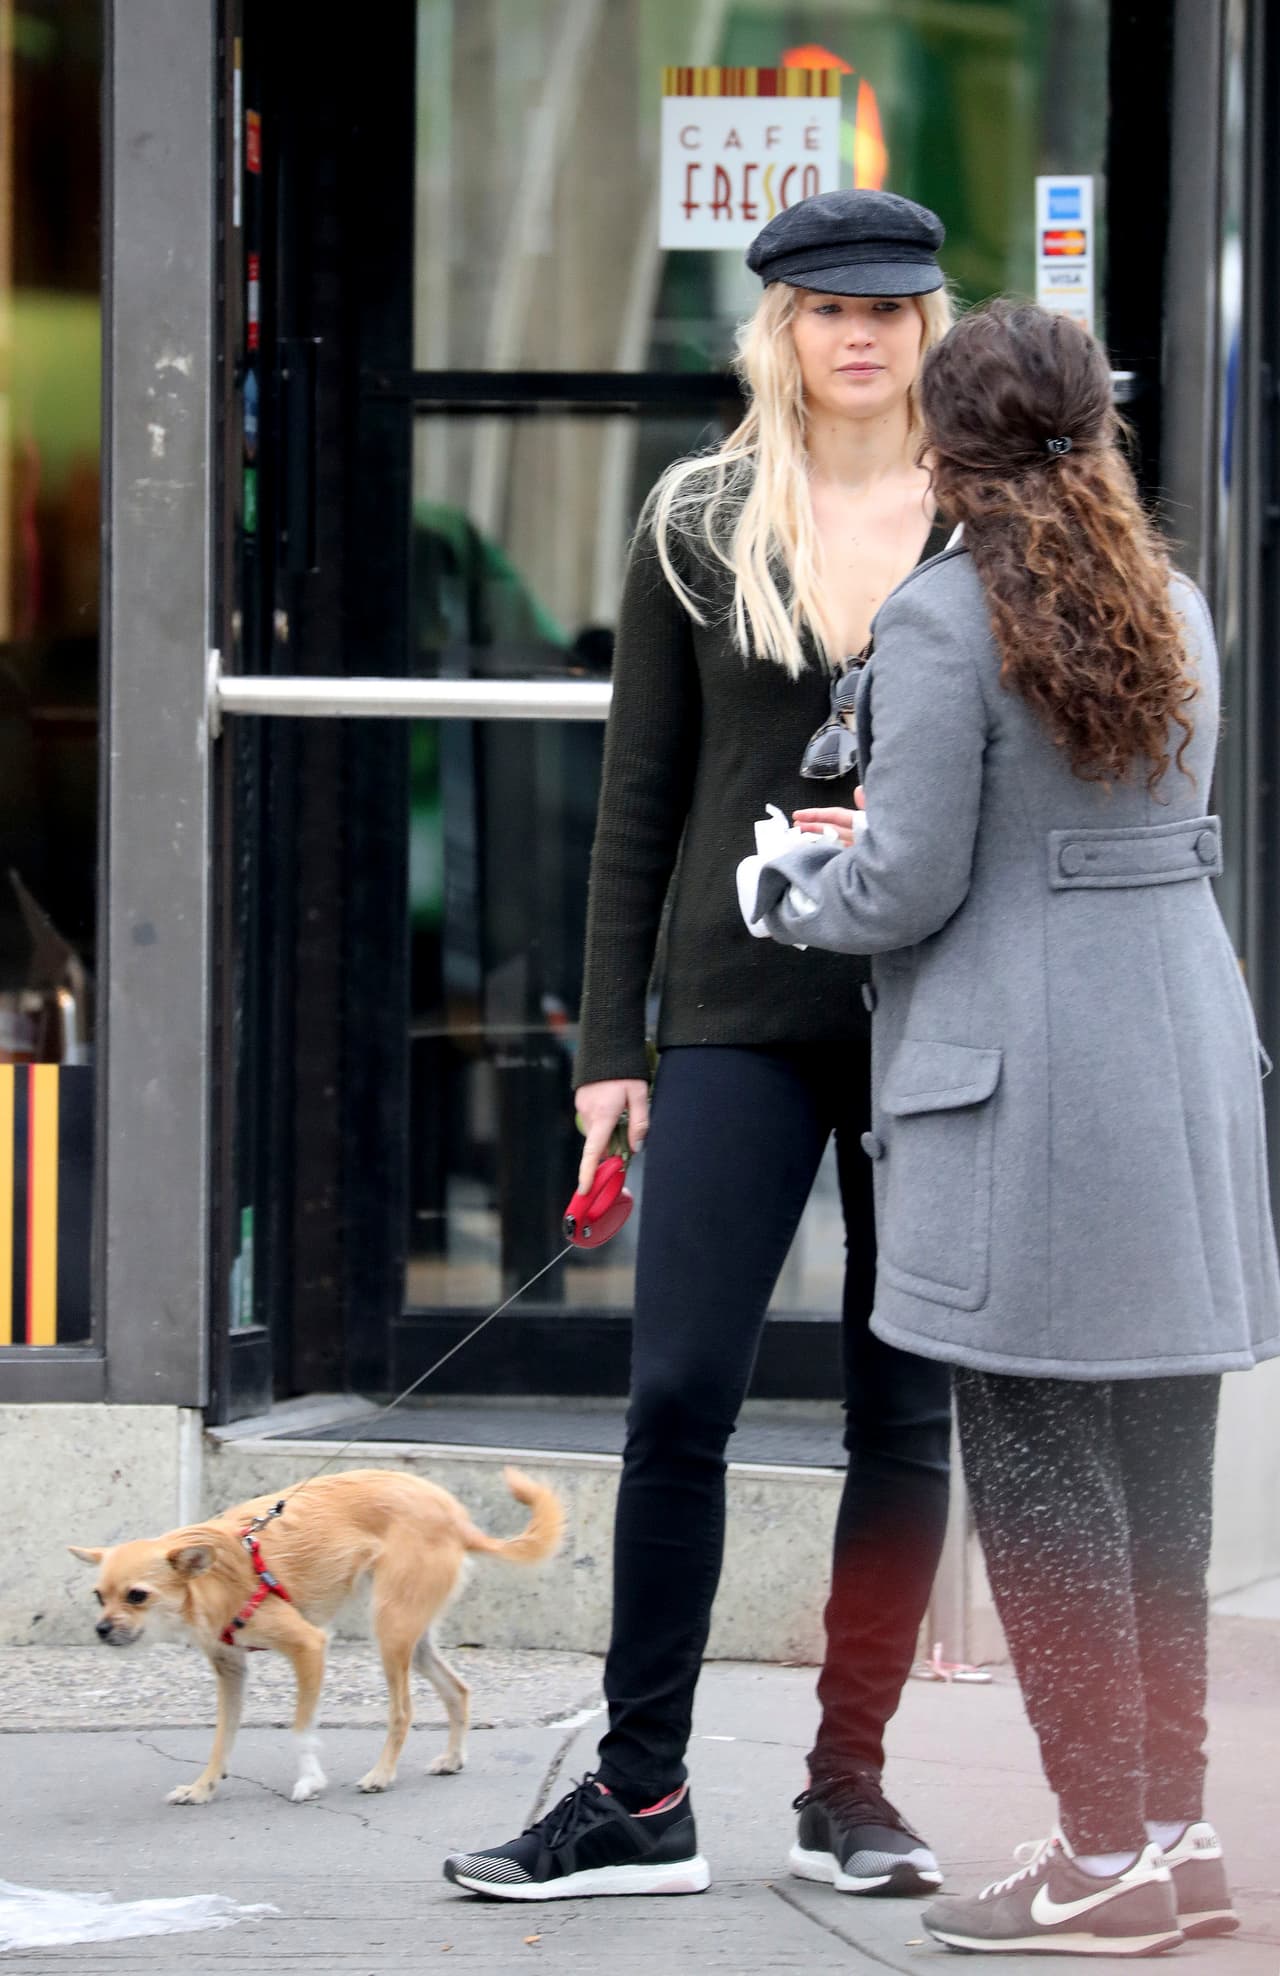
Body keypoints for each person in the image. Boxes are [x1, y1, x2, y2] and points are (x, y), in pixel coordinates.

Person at [745, 299, 1280, 1957]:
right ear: (1098, 428)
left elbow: (906, 882)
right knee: (1161, 1487)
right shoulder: (1176, 597)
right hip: (1180, 1065)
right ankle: (1173, 1840)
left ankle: (1099, 1858)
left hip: (1021, 1098)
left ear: (943, 442)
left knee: (1045, 1487)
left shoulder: (943, 620)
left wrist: (789, 886)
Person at [442, 189, 957, 1902]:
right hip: (737, 1013)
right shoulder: (700, 518)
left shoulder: (997, 516)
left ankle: (854, 1786)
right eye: (827, 309)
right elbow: (639, 801)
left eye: (889, 307)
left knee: (903, 1415)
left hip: (942, 1024)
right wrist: (614, 1043)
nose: (860, 336)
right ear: (781, 328)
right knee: (678, 1398)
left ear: (929, 322)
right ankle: (641, 1796)